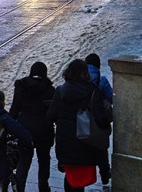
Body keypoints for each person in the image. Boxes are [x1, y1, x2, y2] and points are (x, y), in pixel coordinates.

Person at [48, 59, 111, 192]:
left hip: (65, 140)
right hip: (85, 140)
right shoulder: (92, 91)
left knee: (70, 175)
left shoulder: (60, 91)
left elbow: (51, 115)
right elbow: (100, 118)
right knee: (79, 179)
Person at [9, 62, 56, 192]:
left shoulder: (21, 87)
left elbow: (15, 108)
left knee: (23, 161)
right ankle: (43, 186)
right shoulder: (50, 89)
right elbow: (53, 112)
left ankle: (19, 188)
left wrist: (8, 125)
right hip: (44, 128)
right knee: (44, 159)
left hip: (24, 128)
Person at [85, 53, 113, 185]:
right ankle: (104, 174)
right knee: (101, 147)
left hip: (82, 121)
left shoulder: (79, 80)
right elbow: (112, 99)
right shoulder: (102, 81)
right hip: (98, 119)